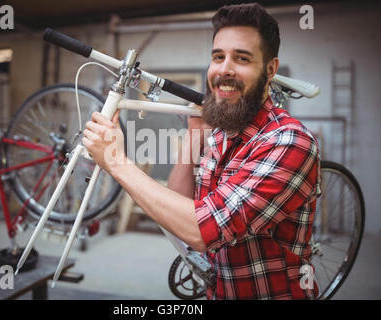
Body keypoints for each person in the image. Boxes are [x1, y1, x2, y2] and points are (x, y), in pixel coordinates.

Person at [82, 3, 321, 300]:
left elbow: (201, 230)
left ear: (270, 69)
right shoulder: (221, 131)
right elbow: (180, 205)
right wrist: (195, 134)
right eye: (218, 57)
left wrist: (116, 161)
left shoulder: (289, 141)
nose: (224, 70)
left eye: (242, 58)